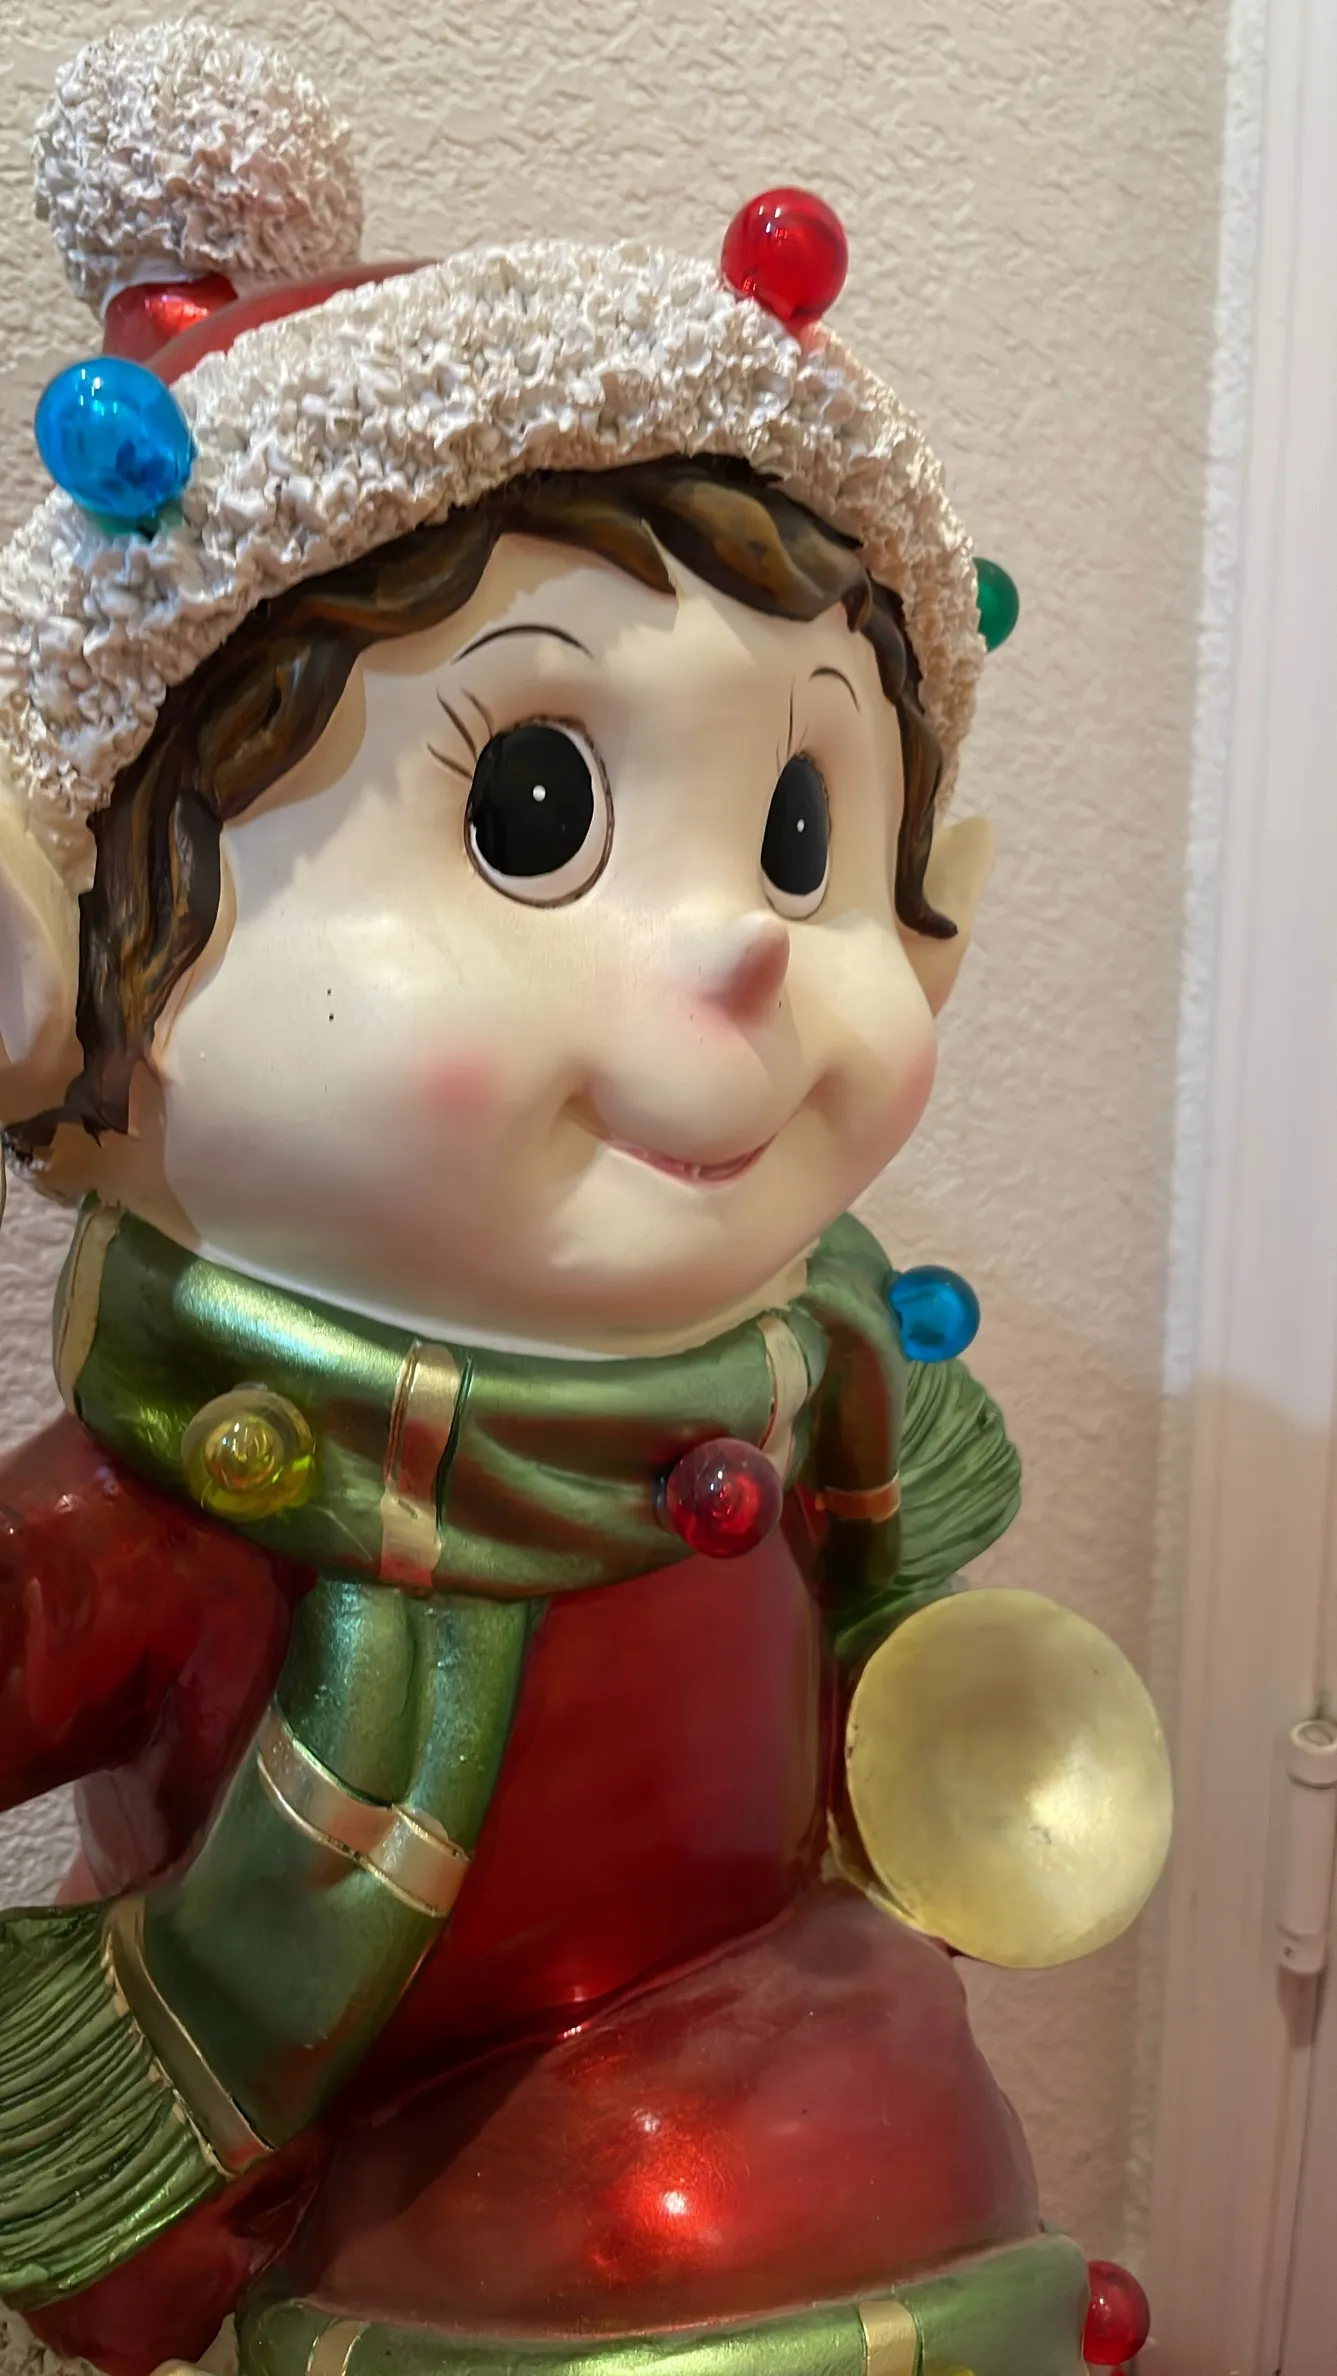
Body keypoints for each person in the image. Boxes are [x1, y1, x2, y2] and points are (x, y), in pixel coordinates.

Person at [0, 22, 1124, 2376]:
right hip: (364, 2208)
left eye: (801, 834)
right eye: (532, 818)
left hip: (803, 2085)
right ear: (78, 971)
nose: (741, 945)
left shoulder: (817, 1363)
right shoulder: (179, 1497)